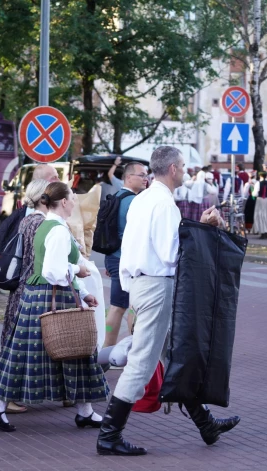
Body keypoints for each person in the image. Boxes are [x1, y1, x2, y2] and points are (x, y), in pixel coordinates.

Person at [96, 146, 239, 457]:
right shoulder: (163, 204)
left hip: (141, 284)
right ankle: (109, 436)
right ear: (173, 168)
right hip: (156, 286)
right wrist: (202, 230)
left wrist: (194, 227)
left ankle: (205, 424)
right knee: (143, 362)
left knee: (174, 357)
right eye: (184, 166)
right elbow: (171, 252)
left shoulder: (142, 200)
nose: (186, 170)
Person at [0, 182, 107, 432]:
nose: (75, 202)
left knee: (23, 355)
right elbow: (52, 270)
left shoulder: (48, 225)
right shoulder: (58, 230)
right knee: (77, 353)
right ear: (63, 202)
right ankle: (84, 413)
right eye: (72, 197)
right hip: (52, 297)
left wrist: (83, 293)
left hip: (37, 297)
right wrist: (78, 269)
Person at [0, 179, 51, 414]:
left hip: (20, 287)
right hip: (30, 289)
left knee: (15, 343)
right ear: (44, 198)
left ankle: (6, 396)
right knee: (17, 346)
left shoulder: (25, 219)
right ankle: (3, 396)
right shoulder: (41, 223)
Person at [103, 162, 148, 348]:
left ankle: (107, 350)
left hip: (114, 257)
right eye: (142, 175)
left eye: (147, 175)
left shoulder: (117, 196)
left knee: (118, 306)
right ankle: (120, 352)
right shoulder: (134, 201)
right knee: (126, 307)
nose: (146, 178)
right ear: (129, 177)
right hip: (127, 260)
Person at [0, 163, 59, 257]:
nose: (59, 180)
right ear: (41, 183)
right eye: (54, 177)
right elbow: (0, 248)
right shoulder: (18, 217)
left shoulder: (55, 214)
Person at [252, 171, 267, 239]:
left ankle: (262, 231)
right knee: (266, 215)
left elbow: (254, 194)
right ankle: (266, 231)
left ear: (260, 176)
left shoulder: (258, 183)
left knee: (260, 215)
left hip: (260, 199)